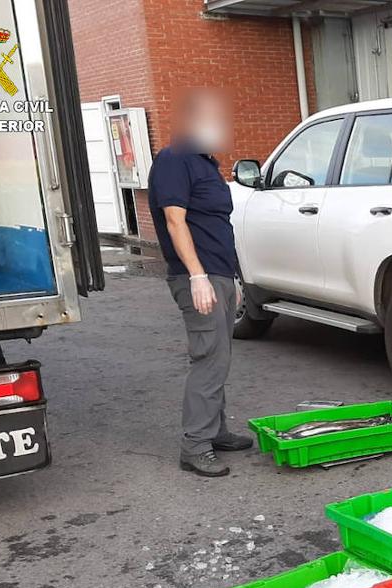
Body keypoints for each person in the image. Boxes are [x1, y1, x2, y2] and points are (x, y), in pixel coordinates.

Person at [147, 88, 252, 478]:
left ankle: (215, 429)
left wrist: (233, 279)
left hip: (219, 275)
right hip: (198, 277)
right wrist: (198, 276)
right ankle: (195, 444)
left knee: (220, 354)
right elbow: (176, 221)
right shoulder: (175, 160)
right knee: (209, 357)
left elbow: (217, 226)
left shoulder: (205, 163)